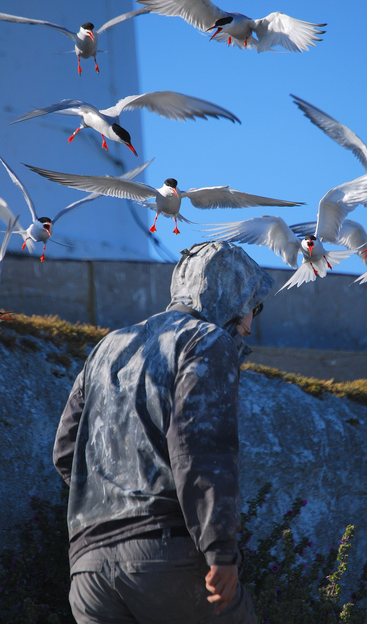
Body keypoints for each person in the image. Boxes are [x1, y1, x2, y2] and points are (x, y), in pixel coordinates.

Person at [53, 241, 274, 624]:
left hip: (87, 571)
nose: (250, 325)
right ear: (232, 296)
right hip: (163, 557)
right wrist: (220, 551)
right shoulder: (207, 341)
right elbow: (201, 449)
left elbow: (65, 451)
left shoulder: (108, 346)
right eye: (253, 307)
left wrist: (111, 503)